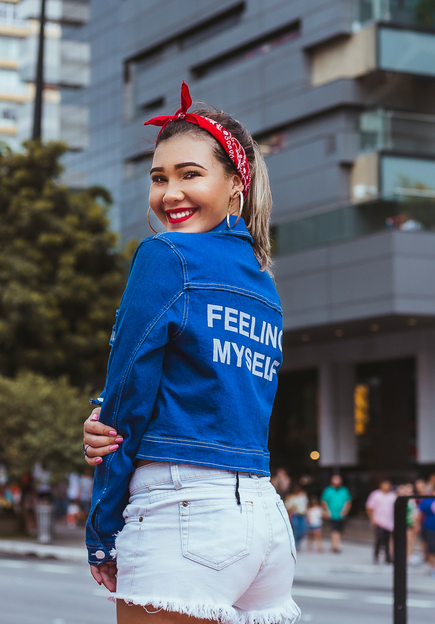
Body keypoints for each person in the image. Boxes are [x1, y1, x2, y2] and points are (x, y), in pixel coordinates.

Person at [77, 83, 297, 624]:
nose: (170, 193)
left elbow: (126, 402)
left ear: (234, 186)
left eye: (190, 174)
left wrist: (102, 528)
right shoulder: (263, 283)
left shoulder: (164, 256)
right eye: (159, 177)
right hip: (264, 522)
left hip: (184, 512)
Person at [366, 479, 396, 564]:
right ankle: (376, 556)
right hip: (379, 521)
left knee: (387, 541)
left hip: (389, 523)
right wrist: (372, 519)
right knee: (379, 540)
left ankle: (388, 557)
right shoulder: (375, 495)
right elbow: (369, 508)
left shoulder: (392, 496)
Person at [320, 474, 353, 554]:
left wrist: (346, 511)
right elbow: (323, 502)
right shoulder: (328, 490)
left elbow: (348, 502)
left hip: (341, 514)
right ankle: (336, 546)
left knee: (339, 530)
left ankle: (334, 544)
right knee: (334, 530)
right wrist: (326, 511)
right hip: (332, 514)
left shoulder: (344, 490)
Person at [284, 483, 309, 552]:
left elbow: (306, 505)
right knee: (295, 530)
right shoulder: (290, 497)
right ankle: (295, 544)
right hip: (295, 515)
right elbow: (287, 507)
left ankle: (297, 541)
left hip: (302, 514)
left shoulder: (303, 496)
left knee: (303, 530)